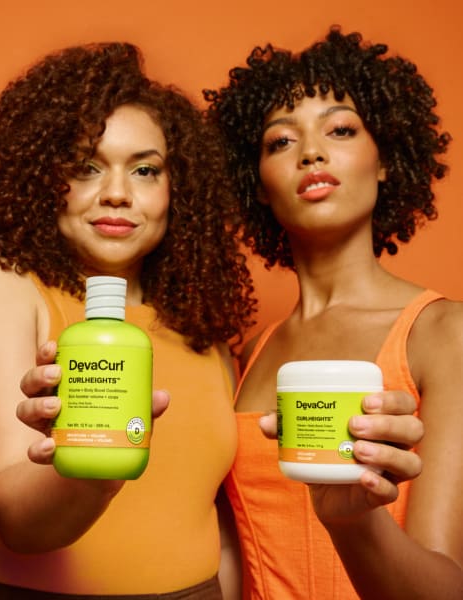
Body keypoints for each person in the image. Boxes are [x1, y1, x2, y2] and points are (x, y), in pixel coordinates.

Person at [0, 41, 256, 599]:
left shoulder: (198, 324)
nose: (116, 194)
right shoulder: (0, 286)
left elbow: (213, 526)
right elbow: (16, 518)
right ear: (41, 178)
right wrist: (99, 471)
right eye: (86, 167)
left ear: (176, 190)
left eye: (146, 171)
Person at [202, 27, 463, 598]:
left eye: (340, 129)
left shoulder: (446, 335)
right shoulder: (244, 353)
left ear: (387, 160)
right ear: (260, 187)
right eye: (280, 141)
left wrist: (351, 517)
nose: (311, 152)